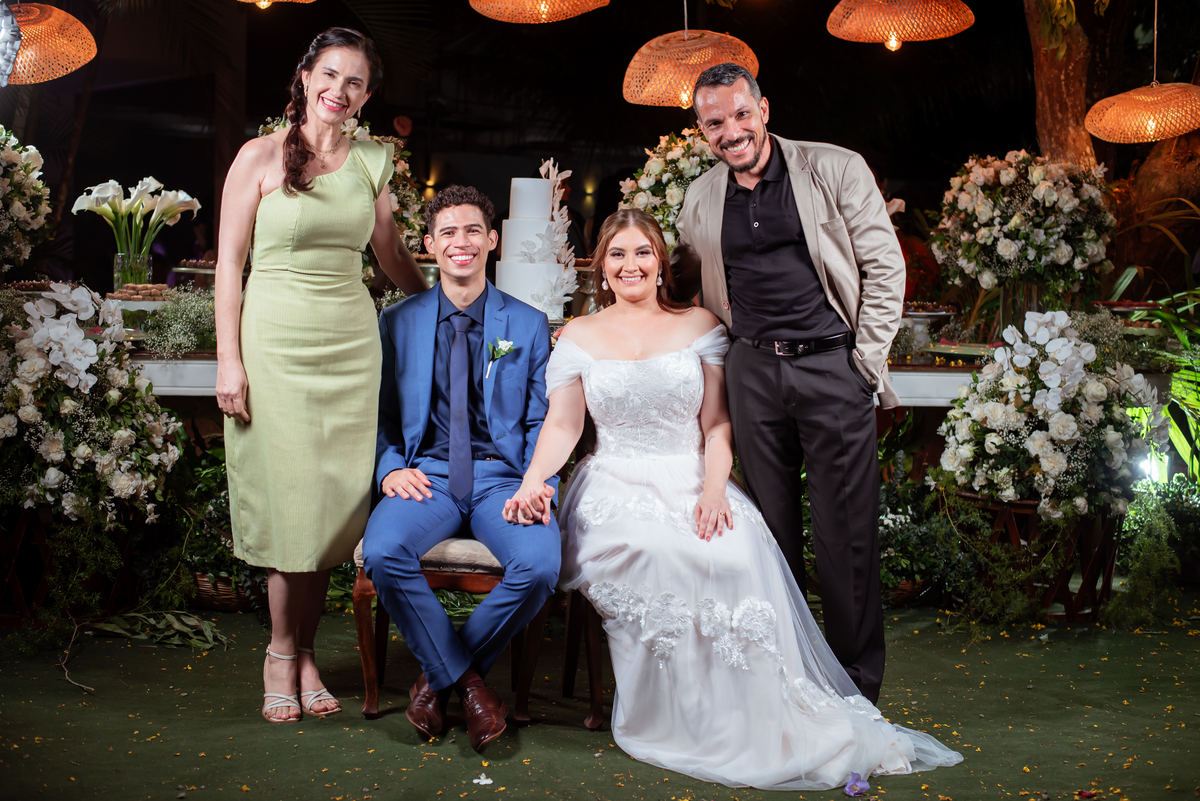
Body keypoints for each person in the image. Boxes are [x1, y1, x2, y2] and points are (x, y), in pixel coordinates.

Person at [505, 209, 959, 791]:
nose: (630, 265)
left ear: (661, 261)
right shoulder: (579, 335)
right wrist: (534, 480)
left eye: (642, 252)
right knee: (656, 552)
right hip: (615, 482)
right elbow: (564, 426)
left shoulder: (700, 325)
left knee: (737, 552)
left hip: (695, 472)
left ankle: (756, 716)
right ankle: (681, 716)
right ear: (601, 266)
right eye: (617, 254)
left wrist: (715, 490)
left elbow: (718, 424)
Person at [671, 62, 904, 703]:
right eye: (715, 123)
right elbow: (685, 288)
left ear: (764, 109)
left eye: (741, 114)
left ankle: (856, 691)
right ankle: (787, 684)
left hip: (833, 367)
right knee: (768, 537)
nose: (731, 131)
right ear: (702, 130)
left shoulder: (835, 168)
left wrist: (865, 363)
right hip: (750, 372)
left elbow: (885, 267)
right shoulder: (701, 197)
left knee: (845, 538)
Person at [214, 28, 427, 724]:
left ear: (366, 96)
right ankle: (280, 652)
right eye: (329, 75)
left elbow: (389, 251)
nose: (340, 90)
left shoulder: (373, 160)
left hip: (349, 348)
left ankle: (306, 653)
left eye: (355, 82)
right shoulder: (257, 156)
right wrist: (229, 359)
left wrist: (444, 306)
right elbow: (229, 266)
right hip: (275, 344)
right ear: (306, 77)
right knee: (292, 505)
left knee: (331, 507)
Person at [362, 185, 560, 752]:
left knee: (539, 566)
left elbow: (541, 420)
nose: (461, 242)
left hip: (505, 479)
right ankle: (472, 687)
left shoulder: (526, 324)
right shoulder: (397, 322)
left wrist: (538, 482)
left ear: (492, 240)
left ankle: (436, 681)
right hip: (426, 476)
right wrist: (389, 468)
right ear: (429, 245)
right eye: (447, 232)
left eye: (473, 230)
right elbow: (378, 414)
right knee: (383, 552)